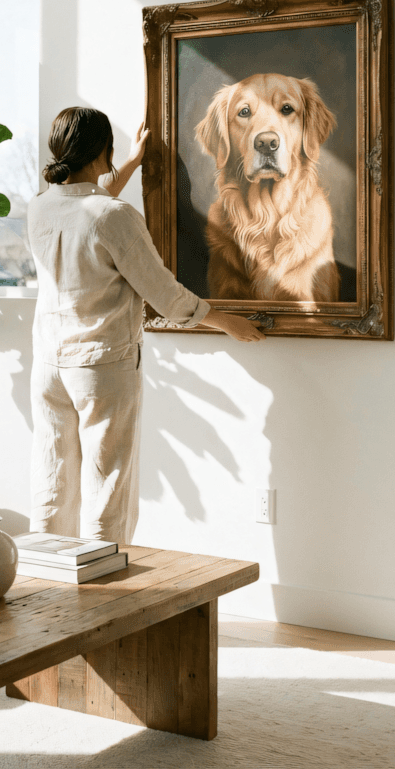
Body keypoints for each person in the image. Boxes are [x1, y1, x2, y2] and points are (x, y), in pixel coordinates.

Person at [26, 106, 265, 545]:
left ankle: (43, 574)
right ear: (104, 149)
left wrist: (133, 163)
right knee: (106, 489)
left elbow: (86, 210)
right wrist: (225, 321)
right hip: (100, 367)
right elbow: (164, 294)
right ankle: (101, 583)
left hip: (48, 368)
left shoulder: (40, 208)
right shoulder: (113, 216)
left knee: (52, 481)